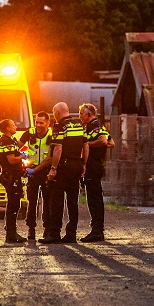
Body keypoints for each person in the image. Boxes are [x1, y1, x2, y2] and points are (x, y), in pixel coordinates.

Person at [39, 102, 88, 244]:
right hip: (76, 165)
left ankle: (54, 234)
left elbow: (58, 149)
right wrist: (83, 164)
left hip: (64, 166)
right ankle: (71, 234)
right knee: (73, 201)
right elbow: (85, 146)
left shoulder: (59, 126)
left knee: (57, 199)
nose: (54, 116)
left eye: (54, 113)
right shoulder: (79, 125)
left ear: (58, 113)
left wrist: (53, 168)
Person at [78, 103, 113, 242]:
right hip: (94, 165)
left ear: (89, 114)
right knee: (94, 198)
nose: (80, 116)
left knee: (94, 199)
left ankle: (97, 231)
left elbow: (104, 142)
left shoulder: (95, 125)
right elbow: (112, 143)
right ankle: (97, 229)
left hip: (93, 165)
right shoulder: (95, 126)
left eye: (81, 113)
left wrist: (86, 145)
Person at [17, 111, 54, 241]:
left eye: (41, 123)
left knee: (47, 201)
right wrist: (22, 159)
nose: (38, 125)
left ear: (48, 123)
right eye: (37, 122)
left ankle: (47, 229)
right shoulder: (29, 133)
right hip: (32, 171)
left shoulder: (51, 136)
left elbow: (50, 159)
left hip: (45, 171)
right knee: (32, 202)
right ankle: (31, 228)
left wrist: (35, 170)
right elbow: (16, 146)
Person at [0, 118, 26, 243]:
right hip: (11, 177)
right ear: (7, 128)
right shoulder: (5, 141)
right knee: (13, 205)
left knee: (14, 204)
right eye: (13, 125)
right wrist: (23, 155)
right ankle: (11, 234)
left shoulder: (10, 140)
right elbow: (12, 160)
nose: (15, 127)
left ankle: (11, 230)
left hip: (13, 176)